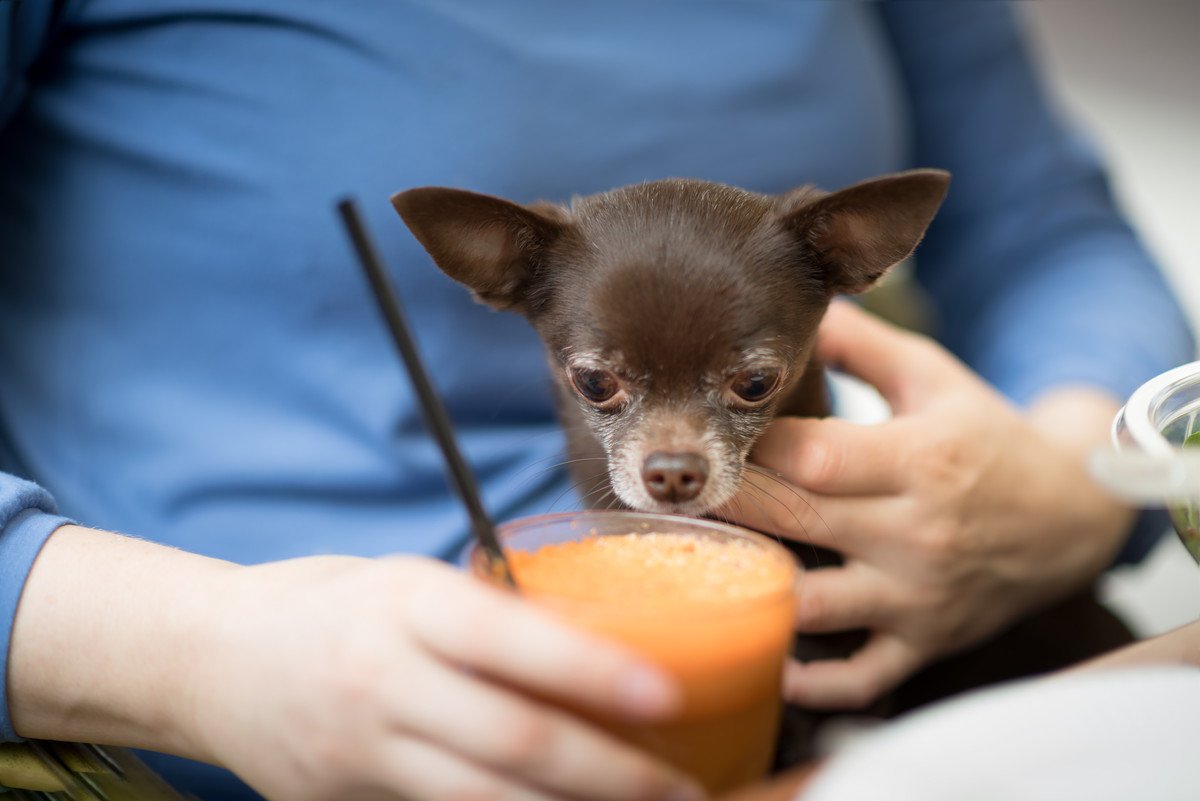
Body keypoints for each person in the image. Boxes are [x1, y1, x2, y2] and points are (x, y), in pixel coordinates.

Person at [0, 2, 1192, 799]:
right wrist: (200, 654)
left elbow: (1044, 229)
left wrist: (1079, 473)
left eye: (743, 387)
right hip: (268, 738)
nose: (670, 455)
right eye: (607, 389)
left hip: (884, 686)